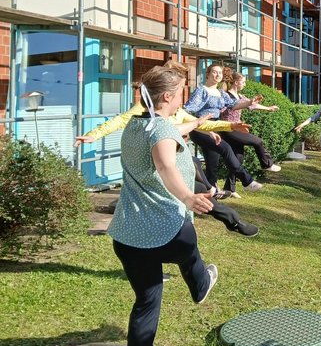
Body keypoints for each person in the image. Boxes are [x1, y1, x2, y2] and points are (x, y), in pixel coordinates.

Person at [108, 64, 219, 346]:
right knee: (189, 246)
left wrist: (196, 123)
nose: (183, 97)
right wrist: (188, 196)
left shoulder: (136, 125)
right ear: (168, 96)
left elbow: (167, 133)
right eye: (181, 92)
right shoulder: (160, 132)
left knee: (146, 303)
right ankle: (200, 284)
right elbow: (165, 163)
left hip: (127, 235)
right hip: (165, 231)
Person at [74, 61, 260, 237]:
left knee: (197, 183)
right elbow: (121, 120)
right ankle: (222, 208)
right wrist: (94, 135)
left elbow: (197, 123)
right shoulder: (147, 110)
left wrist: (229, 126)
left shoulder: (177, 111)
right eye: (179, 90)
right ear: (167, 92)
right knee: (188, 188)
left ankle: (230, 218)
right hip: (155, 171)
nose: (181, 96)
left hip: (175, 164)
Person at [184, 64, 264, 194]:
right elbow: (187, 110)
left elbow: (234, 105)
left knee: (212, 163)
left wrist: (249, 102)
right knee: (225, 148)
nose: (217, 75)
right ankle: (247, 180)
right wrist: (199, 126)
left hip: (215, 126)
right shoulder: (201, 90)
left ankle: (210, 193)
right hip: (200, 128)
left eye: (220, 73)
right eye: (214, 72)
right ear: (208, 74)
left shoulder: (221, 93)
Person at [219, 69, 282, 187]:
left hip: (238, 128)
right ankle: (267, 164)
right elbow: (223, 109)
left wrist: (268, 108)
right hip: (228, 128)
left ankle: (229, 188)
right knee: (257, 141)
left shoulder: (240, 96)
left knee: (237, 159)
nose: (245, 84)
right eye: (243, 82)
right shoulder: (226, 95)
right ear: (236, 82)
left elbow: (252, 104)